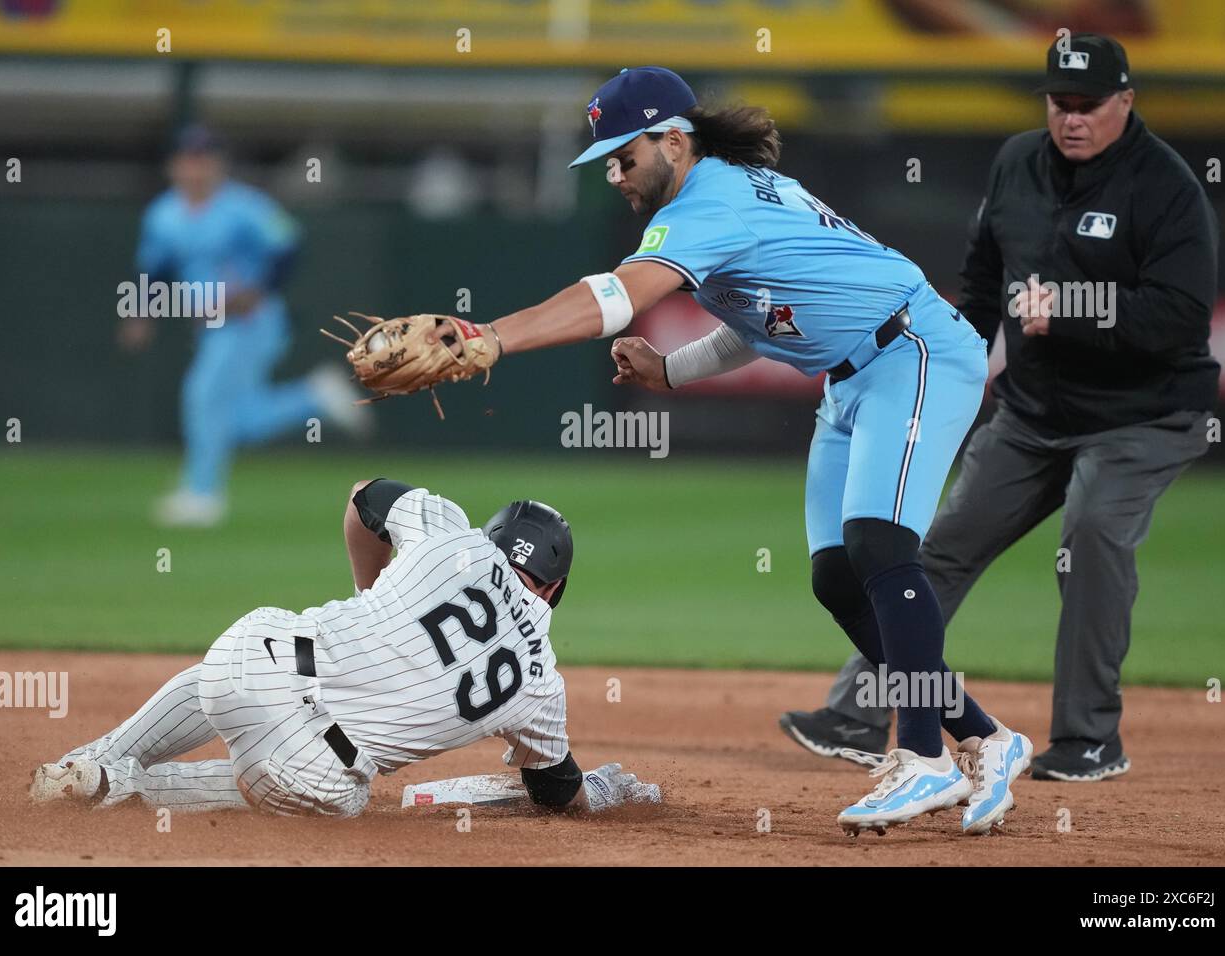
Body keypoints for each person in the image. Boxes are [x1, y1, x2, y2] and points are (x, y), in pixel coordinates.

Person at [382, 66, 1034, 835]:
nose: (617, 174)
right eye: (609, 162)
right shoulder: (724, 192)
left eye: (626, 156)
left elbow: (613, 298)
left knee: (881, 546)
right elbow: (758, 320)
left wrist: (493, 337)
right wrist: (674, 369)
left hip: (913, 351)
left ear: (675, 141)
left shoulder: (710, 201)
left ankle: (923, 756)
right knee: (838, 577)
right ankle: (987, 738)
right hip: (852, 377)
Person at [779, 34, 1218, 784]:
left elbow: (1183, 315)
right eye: (1059, 103)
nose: (1072, 118)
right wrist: (949, 378)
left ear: (1126, 101)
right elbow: (982, 287)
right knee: (936, 544)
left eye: (1088, 105)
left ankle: (1088, 739)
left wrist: (1076, 313)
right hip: (1033, 411)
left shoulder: (1165, 185)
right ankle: (858, 709)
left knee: (1090, 540)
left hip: (1141, 417)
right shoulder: (1018, 163)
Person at [30, 479, 656, 816]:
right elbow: (554, 791)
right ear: (554, 589)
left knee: (249, 658)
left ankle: (95, 762)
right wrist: (604, 789)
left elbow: (364, 494)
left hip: (258, 657)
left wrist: (370, 591)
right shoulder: (541, 683)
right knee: (349, 795)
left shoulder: (448, 532)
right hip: (301, 771)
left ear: (493, 534)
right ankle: (124, 791)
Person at [121, 125, 369, 528]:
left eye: (204, 159)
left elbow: (288, 244)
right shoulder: (164, 213)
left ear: (219, 164)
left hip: (251, 321)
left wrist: (257, 291)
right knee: (235, 419)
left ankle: (202, 495)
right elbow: (155, 269)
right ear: (173, 166)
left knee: (203, 396)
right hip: (211, 324)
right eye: (188, 159)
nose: (195, 168)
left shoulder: (243, 207)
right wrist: (140, 312)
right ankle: (312, 398)